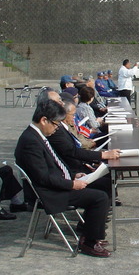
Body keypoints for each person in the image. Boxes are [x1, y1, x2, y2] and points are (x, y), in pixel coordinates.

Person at [14, 100, 111, 257]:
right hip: (49, 193)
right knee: (99, 197)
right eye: (55, 123)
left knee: (102, 184)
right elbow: (43, 177)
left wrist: (73, 175)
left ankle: (90, 230)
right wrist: (71, 184)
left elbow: (53, 165)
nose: (57, 127)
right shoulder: (30, 142)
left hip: (56, 184)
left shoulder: (37, 135)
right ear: (44, 120)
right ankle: (89, 242)